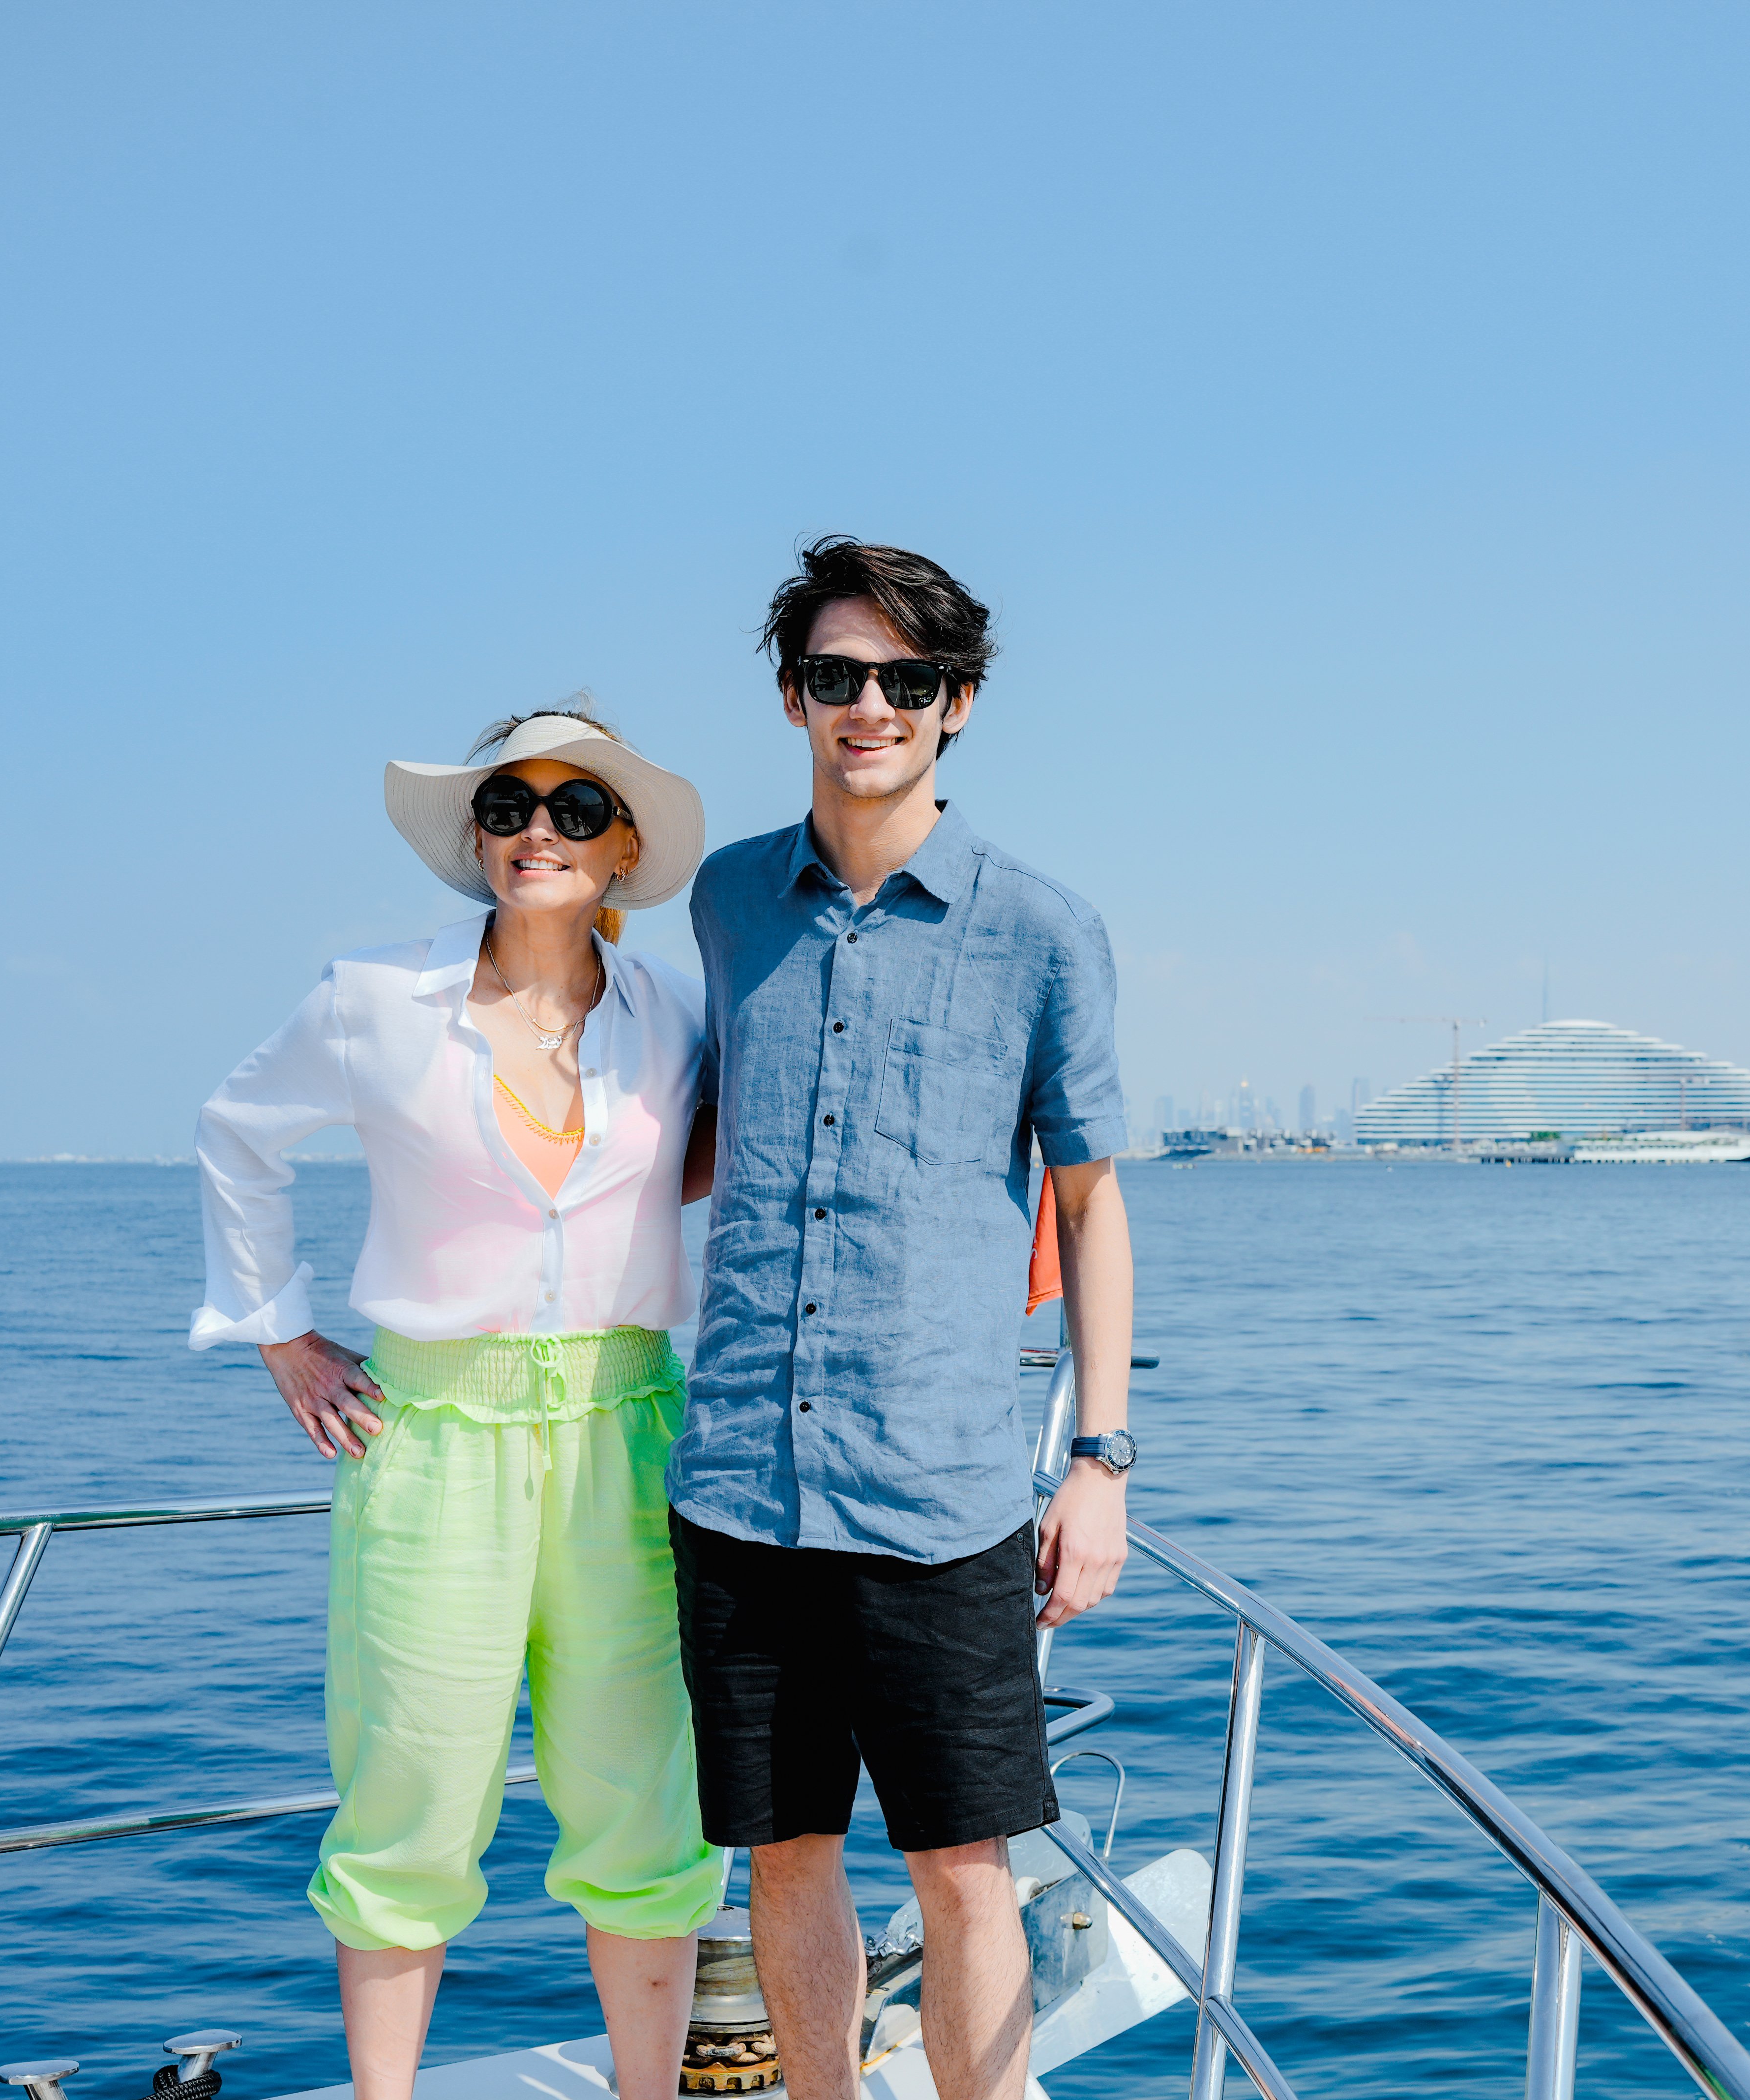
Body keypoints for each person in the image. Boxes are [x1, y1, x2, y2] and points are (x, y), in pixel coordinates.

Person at [190, 705, 724, 2100]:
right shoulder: (374, 999)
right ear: (478, 838)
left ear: (624, 848)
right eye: (507, 806)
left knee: (644, 1805)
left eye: (572, 808)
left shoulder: (677, 1012)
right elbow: (236, 1135)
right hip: (430, 1438)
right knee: (411, 1800)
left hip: (632, 1431)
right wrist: (281, 1338)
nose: (534, 830)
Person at [669, 538, 1137, 2100]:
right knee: (785, 1857)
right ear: (792, 693)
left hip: (937, 1491)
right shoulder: (728, 898)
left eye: (905, 680)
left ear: (959, 704)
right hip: (736, 1480)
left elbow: (1088, 1204)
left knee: (963, 1869)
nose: (867, 706)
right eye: (835, 676)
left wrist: (1099, 1462)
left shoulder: (1043, 928)